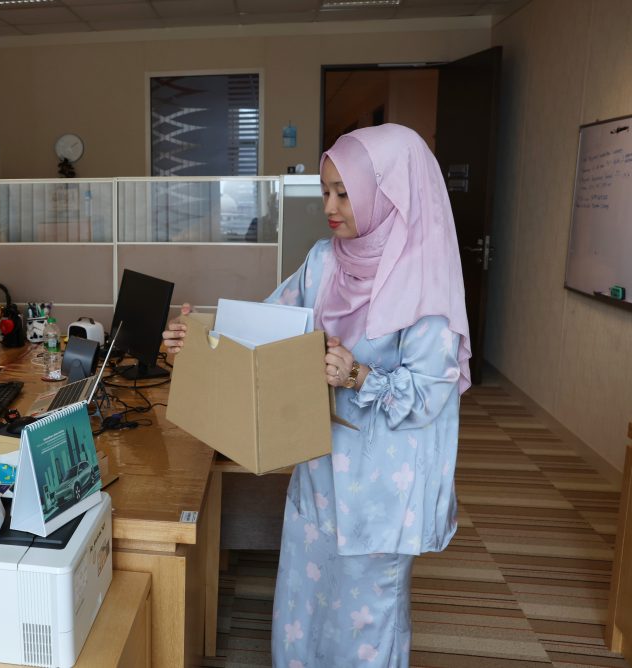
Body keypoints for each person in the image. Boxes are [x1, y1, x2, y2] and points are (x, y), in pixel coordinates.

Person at [162, 123, 471, 667]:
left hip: (384, 485)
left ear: (388, 194)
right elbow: (267, 327)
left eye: (344, 193)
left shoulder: (426, 282)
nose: (329, 207)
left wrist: (358, 375)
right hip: (322, 465)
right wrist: (200, 339)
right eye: (325, 191)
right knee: (304, 601)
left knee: (365, 614)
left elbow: (430, 394)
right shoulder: (325, 260)